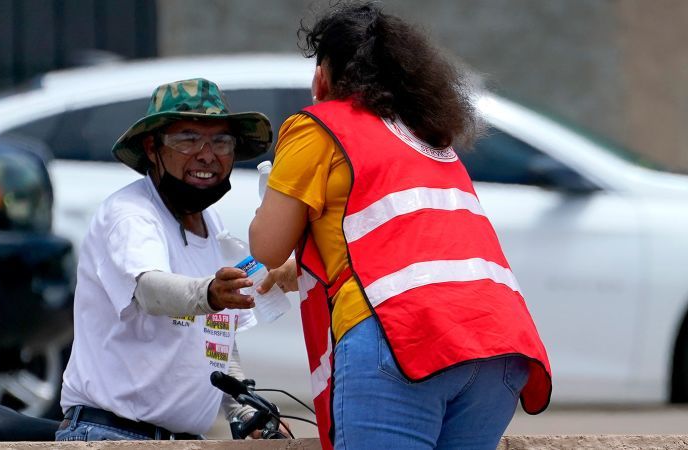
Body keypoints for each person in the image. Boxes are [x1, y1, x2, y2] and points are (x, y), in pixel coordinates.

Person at [249, 3, 552, 449]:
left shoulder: (320, 126)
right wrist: (298, 274)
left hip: (404, 338)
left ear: (325, 75)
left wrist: (276, 187)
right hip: (498, 346)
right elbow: (395, 249)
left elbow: (267, 245)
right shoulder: (426, 136)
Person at [56, 78, 274, 441]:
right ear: (152, 148)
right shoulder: (132, 215)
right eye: (188, 139)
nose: (207, 154)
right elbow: (150, 290)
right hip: (112, 435)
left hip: (175, 441)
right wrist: (209, 294)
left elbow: (216, 335)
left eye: (221, 141)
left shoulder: (211, 224)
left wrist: (242, 410)